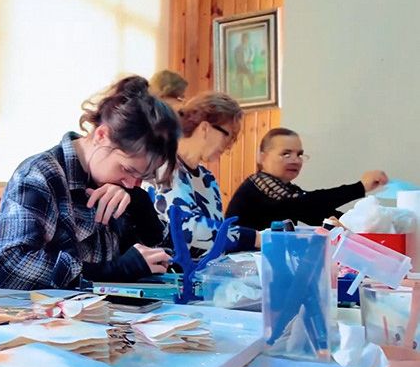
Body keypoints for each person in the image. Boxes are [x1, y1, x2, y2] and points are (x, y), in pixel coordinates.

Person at [0, 75, 179, 291]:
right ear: (102, 135)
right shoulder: (38, 175)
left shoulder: (119, 187)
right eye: (128, 170)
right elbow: (10, 270)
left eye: (141, 176)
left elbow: (170, 264)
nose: (131, 183)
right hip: (12, 317)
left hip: (88, 316)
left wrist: (142, 212)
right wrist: (111, 271)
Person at [143, 91, 259, 258]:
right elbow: (188, 229)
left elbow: (215, 241)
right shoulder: (165, 167)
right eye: (229, 136)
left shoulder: (207, 178)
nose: (229, 146)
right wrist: (255, 238)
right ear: (205, 128)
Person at [225, 127, 389, 230]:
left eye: (300, 154)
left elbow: (314, 212)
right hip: (239, 268)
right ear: (262, 157)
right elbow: (306, 203)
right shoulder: (259, 183)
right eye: (286, 154)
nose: (295, 160)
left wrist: (362, 222)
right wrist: (360, 187)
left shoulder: (289, 192)